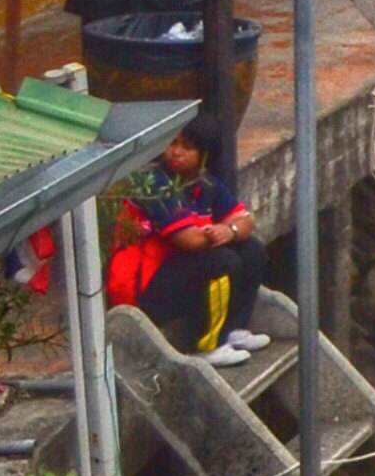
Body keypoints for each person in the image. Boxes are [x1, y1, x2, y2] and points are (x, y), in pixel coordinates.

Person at [110, 131, 267, 357]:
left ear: (203, 154)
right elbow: (190, 241)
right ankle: (208, 345)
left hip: (175, 273)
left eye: (187, 147)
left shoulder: (206, 185)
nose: (176, 152)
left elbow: (246, 221)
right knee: (222, 261)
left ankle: (235, 330)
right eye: (172, 144)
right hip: (143, 289)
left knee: (251, 249)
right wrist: (223, 232)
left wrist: (229, 231)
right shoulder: (155, 185)